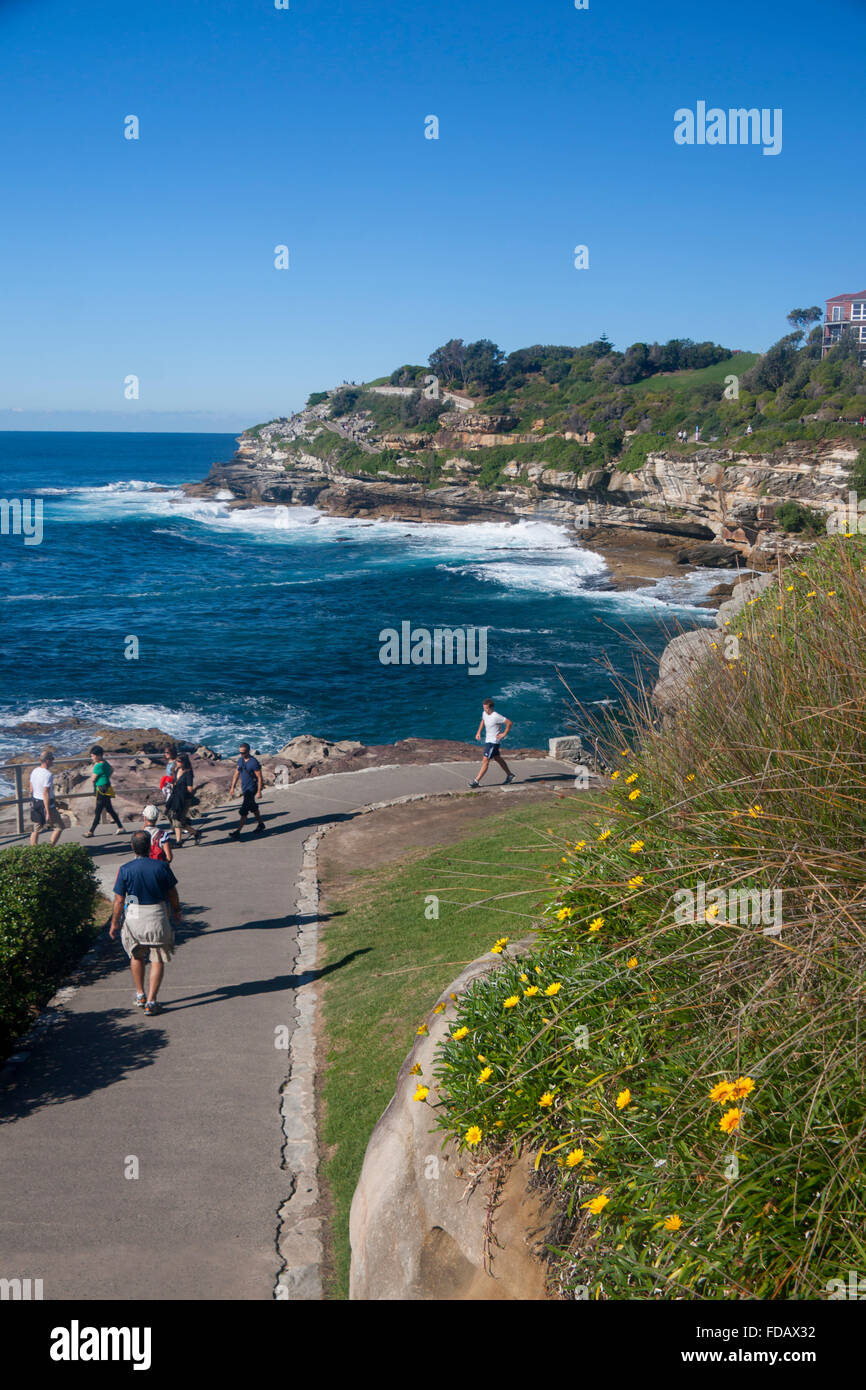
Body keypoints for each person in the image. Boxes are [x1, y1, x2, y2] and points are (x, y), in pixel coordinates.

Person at [110, 830, 181, 1016]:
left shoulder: (125, 869)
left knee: (136, 955)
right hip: (156, 913)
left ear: (132, 847)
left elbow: (118, 900)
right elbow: (172, 893)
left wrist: (114, 923)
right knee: (157, 958)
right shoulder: (161, 867)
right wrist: (177, 910)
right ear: (150, 846)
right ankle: (151, 1001)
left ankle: (140, 994)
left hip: (133, 916)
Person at [469, 699, 516, 788]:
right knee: (497, 758)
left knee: (485, 760)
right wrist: (478, 732)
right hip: (488, 740)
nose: (485, 710)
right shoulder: (484, 713)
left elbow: (509, 723)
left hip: (494, 742)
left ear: (491, 708)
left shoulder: (496, 716)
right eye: (484, 708)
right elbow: (483, 720)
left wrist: (504, 734)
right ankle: (510, 775)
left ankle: (476, 781)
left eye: (487, 709)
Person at [83, 744, 125, 838]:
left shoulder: (98, 766)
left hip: (101, 789)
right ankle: (120, 827)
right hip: (107, 786)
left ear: (98, 755)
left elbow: (93, 779)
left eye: (93, 756)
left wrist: (96, 781)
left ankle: (91, 831)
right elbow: (111, 770)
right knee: (109, 809)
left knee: (98, 811)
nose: (92, 758)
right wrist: (106, 777)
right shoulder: (105, 763)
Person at [228, 742, 266, 837]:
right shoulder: (240, 760)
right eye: (240, 752)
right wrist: (232, 787)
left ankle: (237, 832)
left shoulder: (254, 762)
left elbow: (260, 777)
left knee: (244, 811)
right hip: (245, 789)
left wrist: (259, 792)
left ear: (249, 751)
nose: (242, 754)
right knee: (253, 807)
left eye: (244, 752)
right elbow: (236, 774)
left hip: (251, 789)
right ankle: (261, 824)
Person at [29, 749, 64, 846]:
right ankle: (49, 848)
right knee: (59, 827)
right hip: (46, 803)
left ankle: (34, 850)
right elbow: (46, 793)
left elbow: (31, 788)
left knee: (36, 828)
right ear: (47, 760)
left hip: (35, 801)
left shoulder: (35, 770)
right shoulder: (48, 775)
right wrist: (48, 812)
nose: (53, 761)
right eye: (52, 759)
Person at [165, 753, 200, 847]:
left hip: (184, 799)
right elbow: (175, 782)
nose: (177, 762)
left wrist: (181, 788)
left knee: (177, 819)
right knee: (176, 818)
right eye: (176, 760)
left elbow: (189, 788)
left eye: (179, 761)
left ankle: (179, 842)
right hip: (176, 797)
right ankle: (195, 833)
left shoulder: (188, 773)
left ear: (184, 762)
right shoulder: (176, 769)